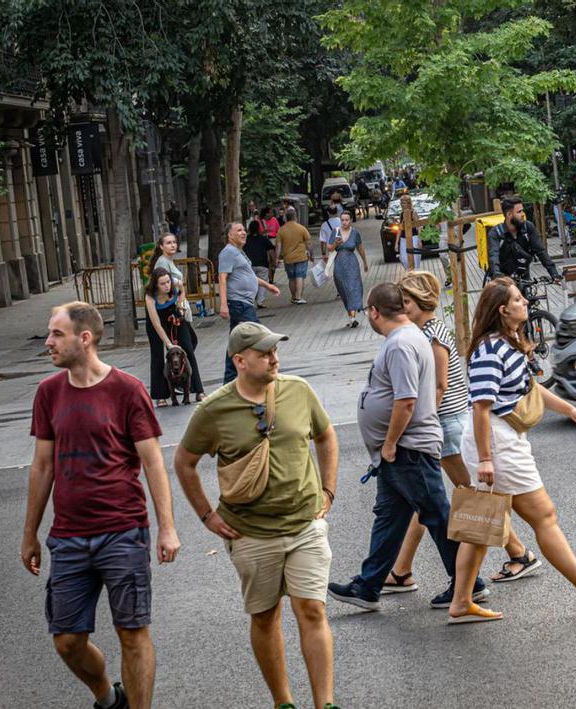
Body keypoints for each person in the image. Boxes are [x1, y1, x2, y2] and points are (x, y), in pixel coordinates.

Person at [174, 322, 343, 709]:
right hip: (250, 532)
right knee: (266, 617)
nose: (274, 358)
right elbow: (183, 463)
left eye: (274, 350)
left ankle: (325, 703)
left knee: (312, 609)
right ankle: (283, 702)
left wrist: (329, 490)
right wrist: (206, 516)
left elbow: (326, 435)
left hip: (305, 524)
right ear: (240, 361)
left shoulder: (298, 391)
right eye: (264, 353)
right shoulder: (213, 410)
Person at [24, 302, 181, 709]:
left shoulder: (127, 389)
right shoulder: (48, 393)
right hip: (69, 537)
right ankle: (108, 697)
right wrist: (30, 534)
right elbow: (42, 468)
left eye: (57, 334)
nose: (48, 342)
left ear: (85, 338)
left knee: (133, 632)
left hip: (123, 531)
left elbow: (152, 461)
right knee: (67, 640)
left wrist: (166, 526)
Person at [450, 276, 576, 623]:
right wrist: (486, 458)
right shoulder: (492, 349)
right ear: (503, 311)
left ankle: (460, 602)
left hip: (501, 440)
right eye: (518, 300)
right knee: (543, 515)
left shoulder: (508, 342)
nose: (525, 304)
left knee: (481, 527)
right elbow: (480, 407)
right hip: (498, 442)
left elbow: (530, 389)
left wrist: (570, 409)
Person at [328, 283, 488, 614]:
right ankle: (369, 585)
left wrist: (388, 444)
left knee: (437, 516)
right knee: (389, 516)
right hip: (400, 450)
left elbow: (406, 400)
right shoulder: (409, 336)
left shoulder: (401, 344)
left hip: (407, 447)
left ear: (374, 311)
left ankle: (469, 585)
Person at [383, 272, 537, 596]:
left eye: (406, 302)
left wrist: (418, 423)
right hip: (442, 425)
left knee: (474, 498)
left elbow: (438, 386)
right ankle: (400, 569)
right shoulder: (423, 331)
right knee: (428, 498)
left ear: (421, 302)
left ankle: (519, 553)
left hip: (447, 424)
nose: (401, 308)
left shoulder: (434, 335)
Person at [219, 221, 280, 385]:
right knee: (259, 336)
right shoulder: (228, 252)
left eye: (244, 230)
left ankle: (231, 380)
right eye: (239, 230)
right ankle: (259, 372)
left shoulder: (239, 252)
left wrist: (268, 285)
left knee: (237, 341)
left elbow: (249, 276)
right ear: (230, 235)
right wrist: (223, 304)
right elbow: (222, 278)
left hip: (244, 303)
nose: (243, 232)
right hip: (238, 303)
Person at [144, 268, 204, 404]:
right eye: (162, 284)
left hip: (173, 314)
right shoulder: (150, 296)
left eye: (168, 282)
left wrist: (181, 302)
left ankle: (198, 390)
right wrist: (168, 343)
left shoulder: (174, 283)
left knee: (187, 348)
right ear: (155, 285)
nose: (167, 286)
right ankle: (161, 395)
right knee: (158, 355)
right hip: (157, 321)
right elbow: (156, 324)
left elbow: (182, 289)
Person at [487, 196, 562, 284]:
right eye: (519, 212)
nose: (523, 214)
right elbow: (493, 255)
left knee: (529, 296)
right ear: (509, 214)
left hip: (523, 277)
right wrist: (496, 274)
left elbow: (541, 251)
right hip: (503, 279)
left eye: (522, 210)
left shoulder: (528, 227)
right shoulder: (496, 233)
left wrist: (554, 273)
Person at [327, 210, 369, 328]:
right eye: (342, 220)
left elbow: (360, 248)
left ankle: (354, 317)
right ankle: (351, 317)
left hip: (352, 264)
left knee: (353, 288)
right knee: (344, 290)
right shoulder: (335, 232)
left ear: (350, 220)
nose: (344, 222)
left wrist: (365, 262)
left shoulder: (355, 233)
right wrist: (335, 244)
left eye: (346, 220)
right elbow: (329, 248)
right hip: (339, 265)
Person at [277, 207, 313, 305]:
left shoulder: (281, 230)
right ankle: (298, 297)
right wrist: (312, 254)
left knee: (291, 278)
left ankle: (293, 297)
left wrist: (277, 258)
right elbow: (309, 243)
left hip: (288, 258)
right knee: (299, 276)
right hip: (301, 257)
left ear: (286, 218)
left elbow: (278, 246)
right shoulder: (301, 228)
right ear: (295, 217)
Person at [243, 216, 278, 308]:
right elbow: (271, 251)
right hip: (262, 264)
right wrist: (274, 262)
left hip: (249, 265)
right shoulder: (263, 239)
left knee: (250, 283)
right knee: (263, 283)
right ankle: (260, 301)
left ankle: (250, 301)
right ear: (259, 229)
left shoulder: (245, 240)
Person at [395, 195, 423, 271]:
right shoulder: (401, 214)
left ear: (408, 203)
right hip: (404, 238)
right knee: (403, 258)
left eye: (403, 203)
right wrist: (396, 243)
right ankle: (410, 271)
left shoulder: (413, 213)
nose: (402, 205)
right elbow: (400, 229)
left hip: (413, 237)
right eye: (401, 203)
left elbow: (419, 226)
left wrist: (420, 240)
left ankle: (415, 273)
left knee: (415, 258)